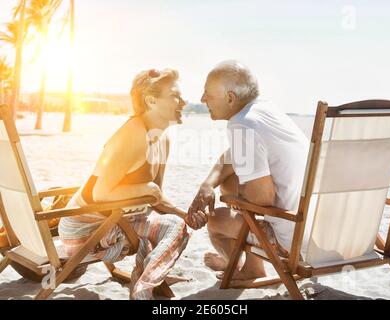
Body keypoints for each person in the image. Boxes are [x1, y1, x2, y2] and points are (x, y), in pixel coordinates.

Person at [59, 68, 189, 299]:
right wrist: (146, 189)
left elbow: (156, 197)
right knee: (175, 229)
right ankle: (143, 290)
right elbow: (101, 194)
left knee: (177, 222)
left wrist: (182, 212)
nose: (184, 101)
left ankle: (149, 274)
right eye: (175, 96)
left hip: (116, 221)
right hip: (85, 229)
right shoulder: (134, 135)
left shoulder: (162, 138)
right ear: (151, 100)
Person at [188, 60, 309, 281]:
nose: (202, 99)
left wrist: (234, 199)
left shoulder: (242, 124)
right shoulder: (265, 112)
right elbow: (232, 156)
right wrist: (207, 185)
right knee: (233, 177)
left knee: (215, 220)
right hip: (320, 232)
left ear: (230, 98)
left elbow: (262, 198)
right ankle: (235, 261)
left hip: (293, 241)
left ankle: (250, 269)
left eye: (207, 94)